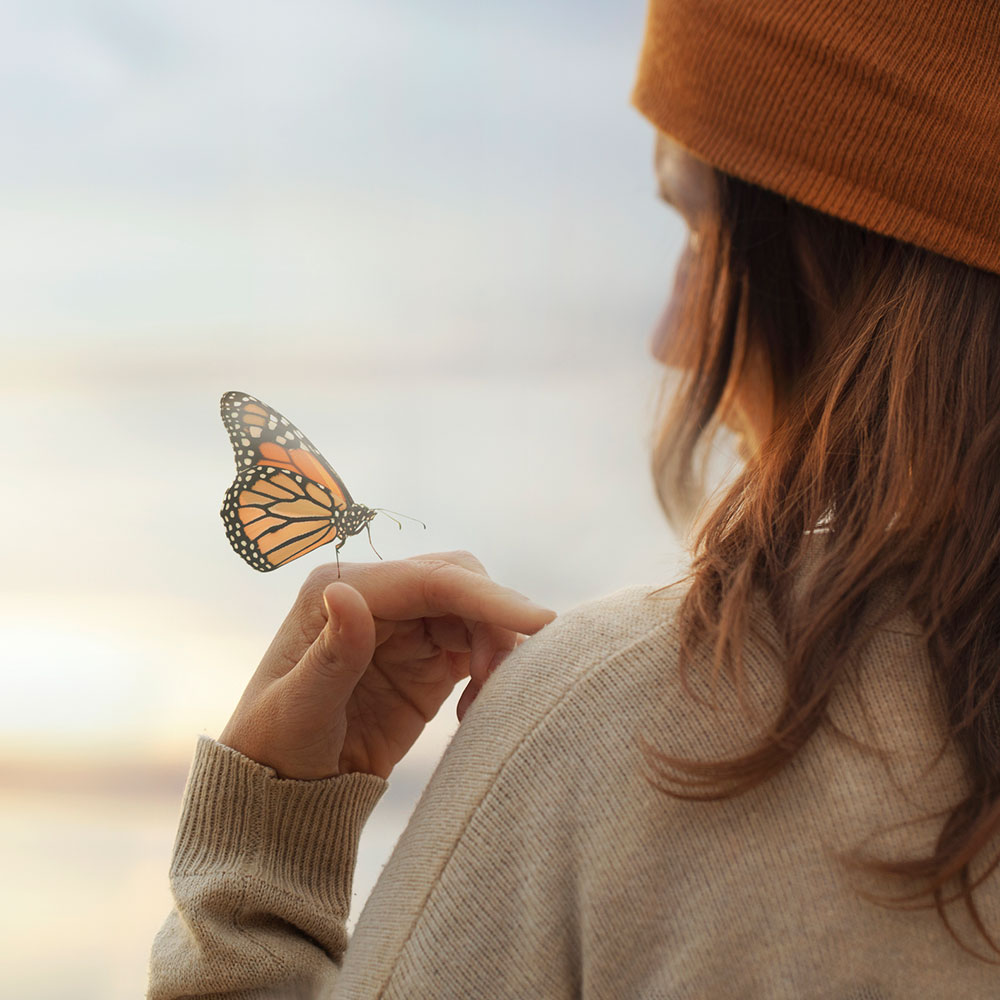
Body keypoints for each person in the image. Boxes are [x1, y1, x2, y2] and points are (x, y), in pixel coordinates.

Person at [149, 1, 1000, 996]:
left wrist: (255, 870)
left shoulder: (644, 728)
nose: (672, 339)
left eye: (699, 229)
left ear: (843, 247)